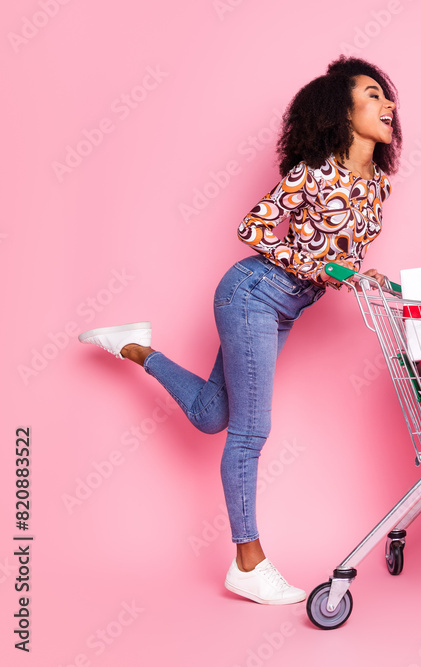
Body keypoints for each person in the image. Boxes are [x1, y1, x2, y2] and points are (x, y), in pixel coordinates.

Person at [78, 55, 402, 605]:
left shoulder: (377, 186)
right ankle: (247, 561)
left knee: (211, 416)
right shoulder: (312, 174)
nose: (388, 104)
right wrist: (312, 265)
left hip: (284, 308)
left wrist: (356, 274)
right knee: (250, 432)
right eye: (373, 95)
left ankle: (134, 347)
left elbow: (341, 256)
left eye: (387, 96)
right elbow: (251, 227)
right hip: (251, 291)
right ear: (340, 111)